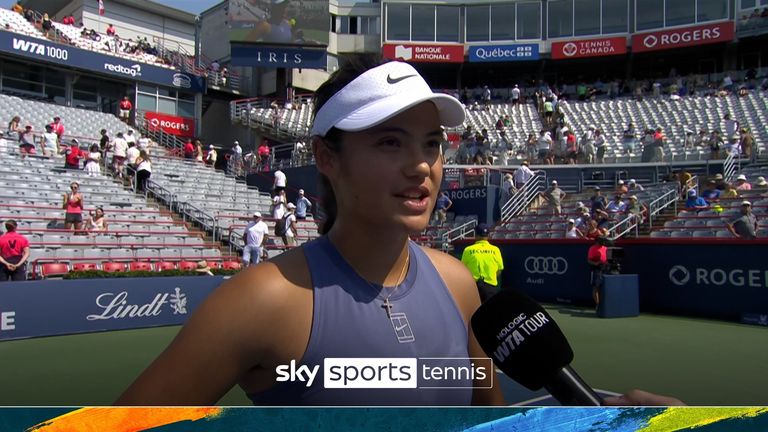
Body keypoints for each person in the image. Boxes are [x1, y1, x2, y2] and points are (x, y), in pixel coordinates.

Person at [115, 58, 674, 407]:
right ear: (327, 158)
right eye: (389, 142)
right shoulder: (263, 298)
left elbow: (488, 421)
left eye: (431, 143)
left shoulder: (457, 284)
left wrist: (606, 419)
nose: (421, 165)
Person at [460, 224, 504, 303]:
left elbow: (463, 269)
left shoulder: (468, 250)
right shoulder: (496, 250)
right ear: (488, 235)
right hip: (490, 287)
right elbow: (499, 270)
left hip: (473, 287)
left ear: (476, 235)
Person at [587, 236, 609, 306]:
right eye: (601, 241)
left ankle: (603, 304)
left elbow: (606, 258)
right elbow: (589, 260)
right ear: (597, 242)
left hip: (604, 269)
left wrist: (606, 263)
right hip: (596, 270)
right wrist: (596, 263)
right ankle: (598, 305)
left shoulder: (605, 248)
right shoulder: (592, 248)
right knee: (595, 287)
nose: (603, 242)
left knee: (603, 287)